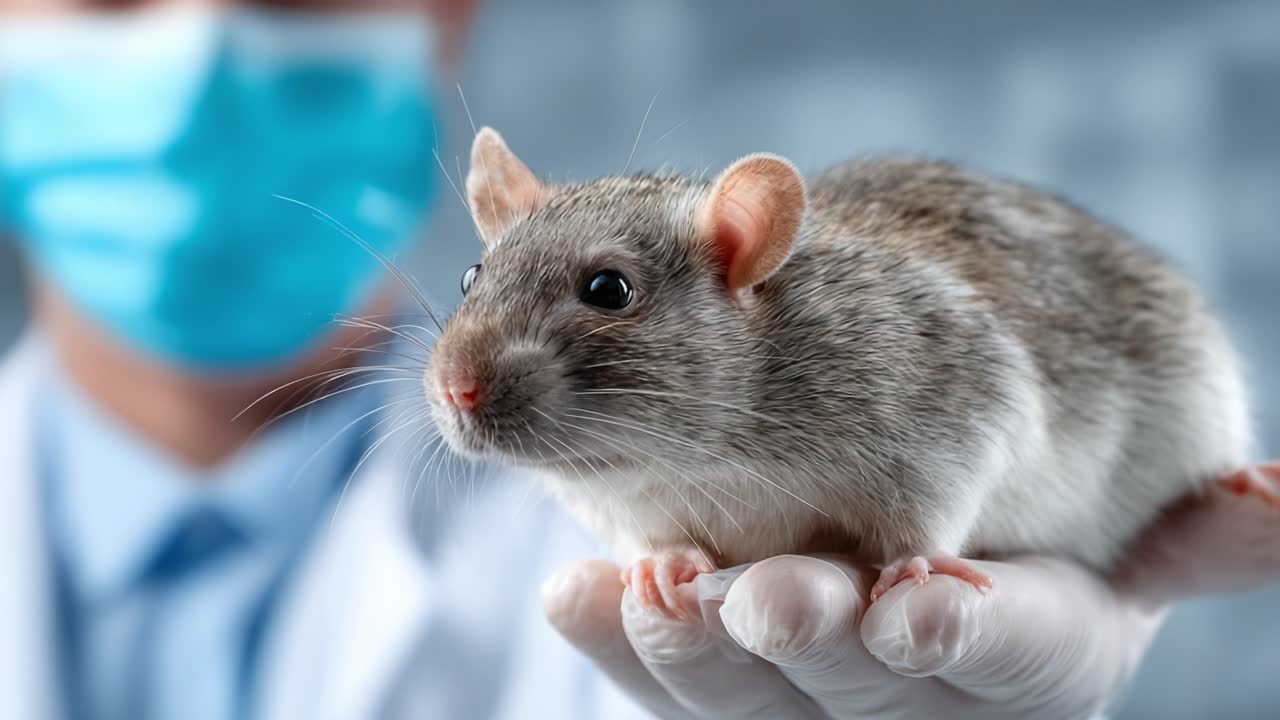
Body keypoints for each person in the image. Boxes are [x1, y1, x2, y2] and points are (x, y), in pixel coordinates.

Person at [0, 1, 1277, 719]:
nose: (202, 51)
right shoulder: (573, 461)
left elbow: (979, 393)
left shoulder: (840, 351)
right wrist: (653, 546)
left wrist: (928, 548)